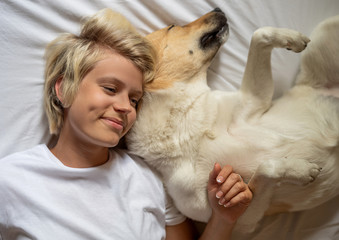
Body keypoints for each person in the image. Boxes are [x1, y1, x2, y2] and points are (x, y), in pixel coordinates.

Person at [0, 8, 252, 240]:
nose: (125, 107)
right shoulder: (11, 181)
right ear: (64, 89)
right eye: (110, 88)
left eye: (134, 99)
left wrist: (223, 218)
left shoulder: (149, 178)